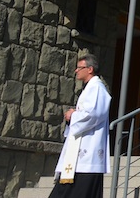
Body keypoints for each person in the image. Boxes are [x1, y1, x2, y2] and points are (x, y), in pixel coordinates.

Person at [50, 54, 111, 198]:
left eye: (79, 68)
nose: (76, 71)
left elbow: (93, 114)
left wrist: (73, 116)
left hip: (87, 154)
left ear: (90, 69)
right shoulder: (90, 88)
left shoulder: (97, 88)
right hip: (79, 154)